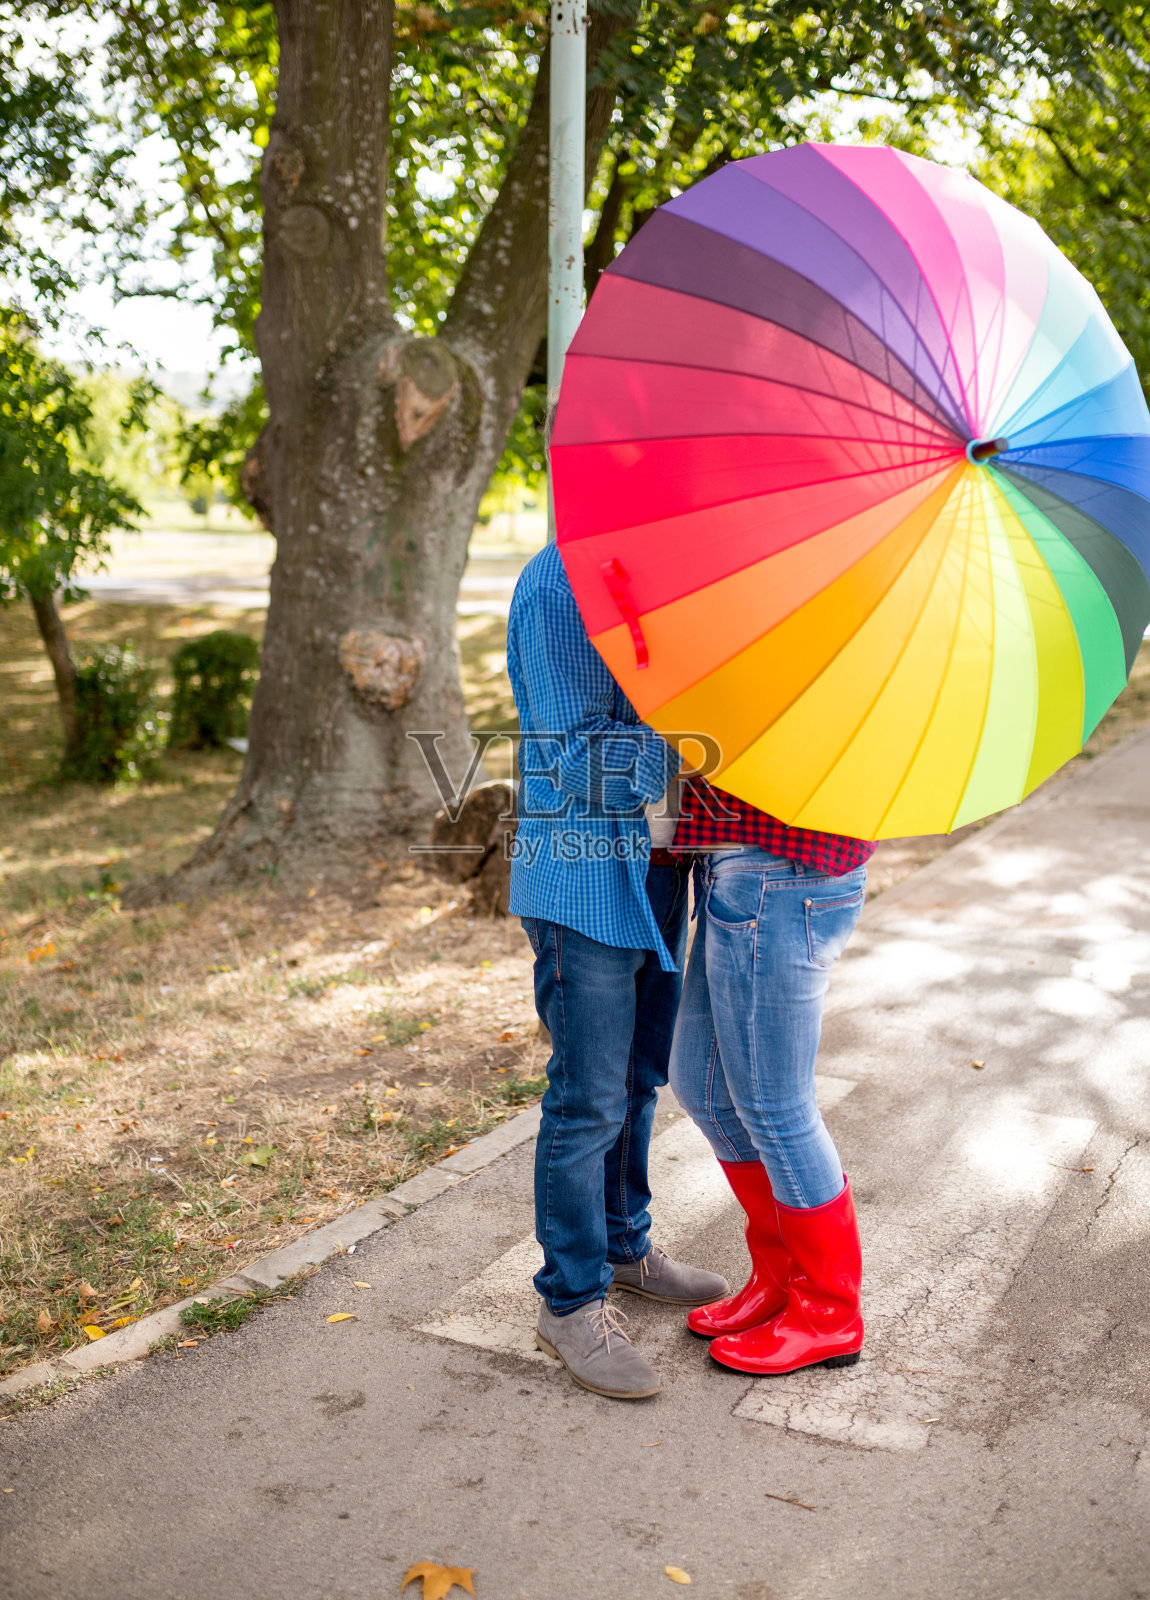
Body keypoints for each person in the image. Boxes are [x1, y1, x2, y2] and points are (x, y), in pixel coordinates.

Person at [506, 539, 728, 1401]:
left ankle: (624, 1247)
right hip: (583, 882)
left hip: (659, 872)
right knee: (588, 1097)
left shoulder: (670, 572)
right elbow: (576, 758)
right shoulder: (563, 582)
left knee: (638, 1083)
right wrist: (696, 721)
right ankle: (569, 1300)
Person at [667, 776, 876, 1375]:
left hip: (784, 872)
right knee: (702, 1086)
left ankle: (828, 1315)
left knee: (775, 1105)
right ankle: (782, 1278)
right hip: (739, 867)